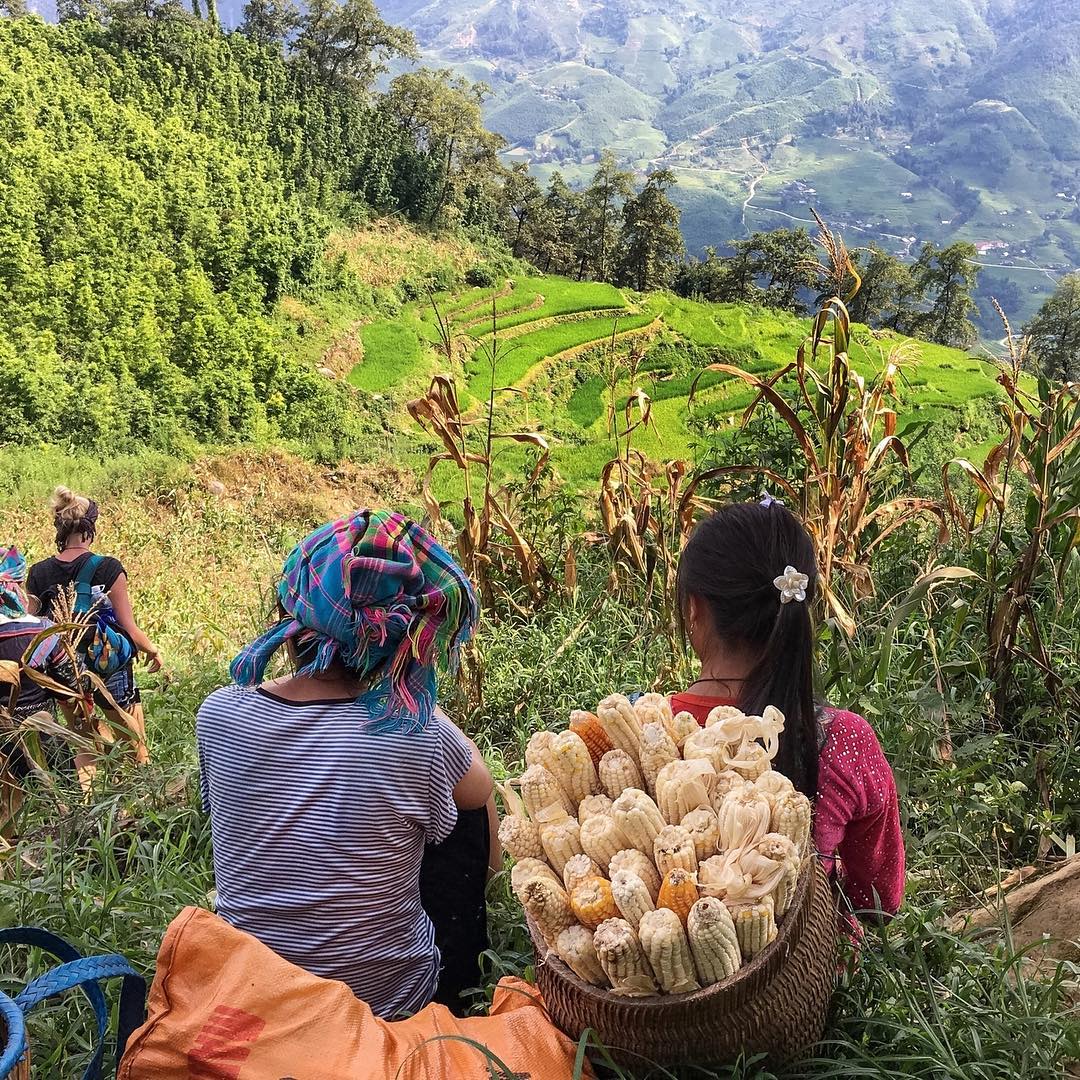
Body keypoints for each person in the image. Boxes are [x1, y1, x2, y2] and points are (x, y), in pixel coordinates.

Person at [197, 509, 499, 1018]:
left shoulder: (219, 713)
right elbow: (481, 790)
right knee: (468, 804)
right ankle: (457, 988)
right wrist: (415, 699)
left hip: (255, 997)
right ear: (410, 641)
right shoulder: (418, 734)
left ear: (291, 620)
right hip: (386, 1006)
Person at [670, 498, 905, 918]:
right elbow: (879, 901)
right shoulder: (845, 739)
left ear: (694, 607)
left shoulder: (655, 731)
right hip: (810, 978)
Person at [26, 487, 161, 768]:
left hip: (63, 667)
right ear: (90, 528)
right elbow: (129, 627)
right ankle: (141, 796)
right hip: (107, 661)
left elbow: (35, 627)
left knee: (82, 737)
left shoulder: (38, 572)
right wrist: (153, 650)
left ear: (60, 527)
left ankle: (83, 805)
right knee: (131, 737)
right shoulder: (107, 567)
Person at [0, 546, 77, 829]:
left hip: (2, 749)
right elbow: (71, 682)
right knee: (66, 809)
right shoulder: (43, 631)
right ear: (18, 585)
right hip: (45, 736)